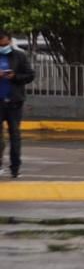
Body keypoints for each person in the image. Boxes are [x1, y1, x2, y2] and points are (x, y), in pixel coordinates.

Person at [0, 31, 34, 178]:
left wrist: (15, 76)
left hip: (14, 102)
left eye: (5, 44)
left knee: (14, 135)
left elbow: (30, 75)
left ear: (9, 41)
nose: (3, 47)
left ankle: (15, 167)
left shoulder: (19, 56)